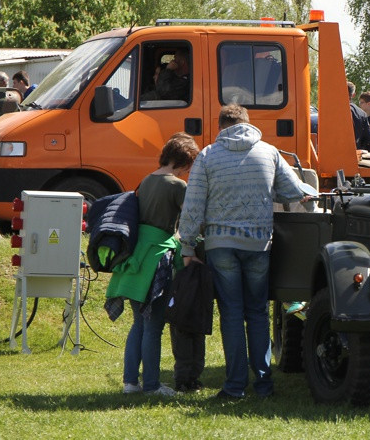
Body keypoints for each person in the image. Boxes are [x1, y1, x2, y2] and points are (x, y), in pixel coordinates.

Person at [178, 103, 309, 399]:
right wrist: (267, 190)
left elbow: (193, 204)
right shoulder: (269, 152)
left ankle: (235, 385)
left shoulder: (208, 155)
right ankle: (263, 384)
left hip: (220, 244)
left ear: (220, 126)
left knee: (232, 313)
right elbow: (294, 191)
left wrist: (187, 246)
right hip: (259, 244)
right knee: (258, 313)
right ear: (248, 123)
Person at [105, 132, 200, 397]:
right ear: (185, 160)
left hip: (136, 258)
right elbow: (191, 221)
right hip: (158, 258)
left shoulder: (147, 180)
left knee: (139, 323)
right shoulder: (177, 186)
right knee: (154, 325)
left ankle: (130, 382)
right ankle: (152, 385)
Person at [347, 81, 370, 150]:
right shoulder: (362, 113)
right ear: (353, 95)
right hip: (354, 151)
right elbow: (368, 137)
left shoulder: (333, 110)